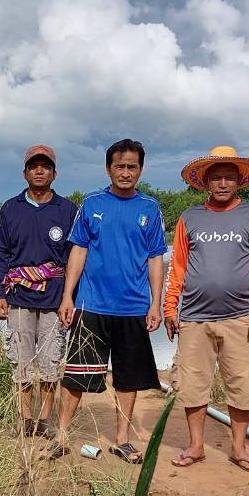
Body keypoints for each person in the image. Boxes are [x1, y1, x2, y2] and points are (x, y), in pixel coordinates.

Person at [51, 139, 166, 463]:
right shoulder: (92, 204)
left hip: (132, 307)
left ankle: (122, 440)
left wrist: (155, 303)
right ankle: (61, 436)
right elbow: (78, 251)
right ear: (108, 169)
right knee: (76, 374)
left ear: (140, 169)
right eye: (120, 166)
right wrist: (67, 296)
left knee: (128, 377)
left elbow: (156, 258)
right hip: (92, 304)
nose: (126, 173)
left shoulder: (149, 208)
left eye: (132, 167)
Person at [163, 145, 249, 469]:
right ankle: (196, 446)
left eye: (229, 177)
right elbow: (177, 266)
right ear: (206, 182)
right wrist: (170, 308)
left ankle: (238, 448)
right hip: (194, 318)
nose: (223, 183)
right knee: (192, 384)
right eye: (216, 178)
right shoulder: (190, 218)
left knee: (242, 384)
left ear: (239, 181)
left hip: (240, 318)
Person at [0, 145, 79, 438]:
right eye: (34, 166)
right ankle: (25, 418)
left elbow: (75, 256)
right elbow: (0, 254)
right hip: (18, 296)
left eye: (45, 167)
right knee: (21, 360)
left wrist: (70, 298)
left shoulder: (67, 210)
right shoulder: (10, 208)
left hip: (55, 297)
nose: (39, 171)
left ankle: (45, 419)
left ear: (55, 173)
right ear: (25, 173)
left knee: (51, 360)